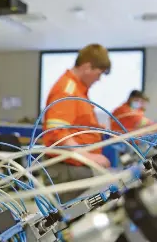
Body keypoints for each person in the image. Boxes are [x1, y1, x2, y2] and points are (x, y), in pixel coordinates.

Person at [43, 43, 112, 203]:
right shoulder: (67, 89)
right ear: (87, 67)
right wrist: (88, 156)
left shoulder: (78, 90)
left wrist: (93, 130)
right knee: (72, 222)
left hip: (74, 169)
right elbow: (57, 131)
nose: (99, 79)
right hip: (68, 170)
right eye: (98, 73)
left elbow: (73, 124)